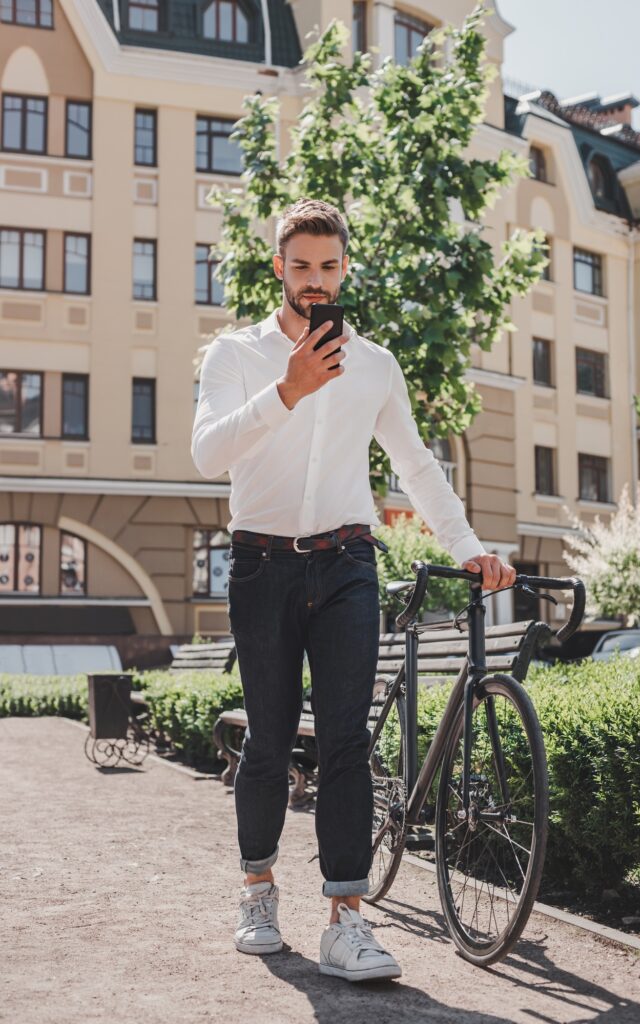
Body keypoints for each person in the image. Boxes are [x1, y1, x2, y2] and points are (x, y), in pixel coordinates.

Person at [190, 197, 516, 982]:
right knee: (269, 740)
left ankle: (346, 920)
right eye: (301, 265)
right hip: (262, 566)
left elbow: (416, 465)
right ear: (279, 267)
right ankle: (258, 891)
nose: (315, 280)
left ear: (345, 269)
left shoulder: (374, 364)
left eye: (328, 266)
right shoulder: (235, 354)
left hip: (347, 565)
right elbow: (206, 453)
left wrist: (468, 548)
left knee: (345, 742)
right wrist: (289, 389)